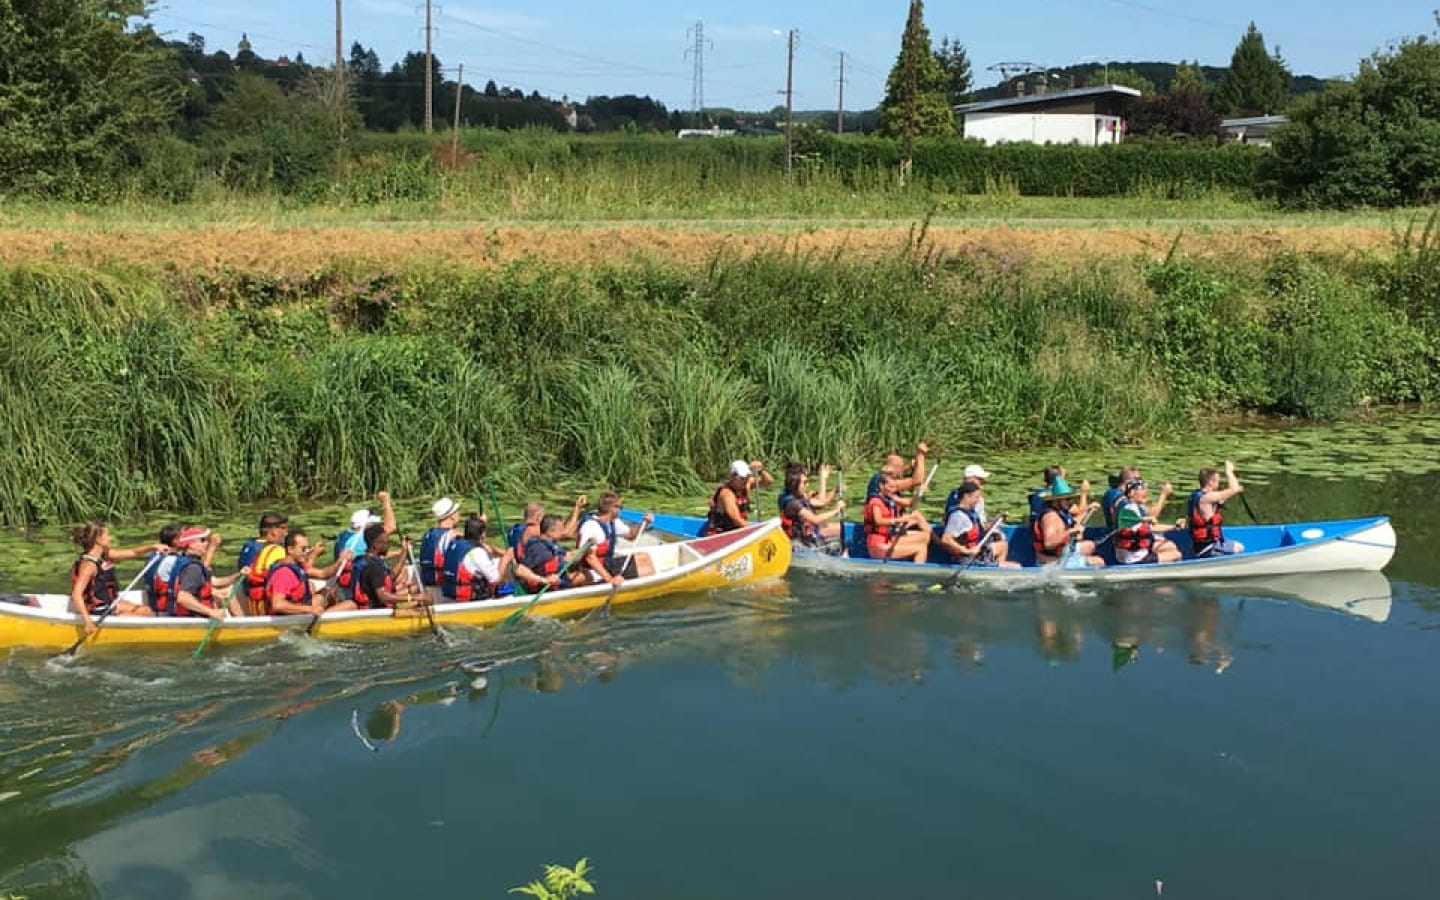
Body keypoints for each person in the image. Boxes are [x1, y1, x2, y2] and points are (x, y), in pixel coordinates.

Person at [68, 522, 160, 634]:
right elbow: (76, 594)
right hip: (98, 611)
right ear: (98, 539)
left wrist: (153, 547)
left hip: (110, 603)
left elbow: (132, 552)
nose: (110, 538)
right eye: (107, 535)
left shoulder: (104, 555)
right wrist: (87, 622)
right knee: (147, 615)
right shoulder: (89, 565)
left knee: (147, 611)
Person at [332, 525, 425, 614]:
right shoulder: (373, 566)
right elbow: (383, 597)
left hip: (375, 606)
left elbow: (391, 576)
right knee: (420, 599)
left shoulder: (367, 559)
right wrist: (413, 597)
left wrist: (404, 551)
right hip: (375, 610)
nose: (388, 546)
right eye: (386, 543)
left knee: (416, 592)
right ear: (375, 545)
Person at [444, 515, 531, 601]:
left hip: (451, 594)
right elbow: (495, 579)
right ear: (482, 535)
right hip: (472, 600)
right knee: (510, 596)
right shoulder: (477, 552)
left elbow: (485, 548)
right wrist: (506, 559)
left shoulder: (456, 544)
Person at [578, 491, 656, 585]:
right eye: (620, 507)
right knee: (645, 570)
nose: (620, 510)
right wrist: (610, 580)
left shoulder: (613, 522)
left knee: (643, 557)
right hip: (594, 571)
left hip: (608, 564)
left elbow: (631, 535)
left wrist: (644, 523)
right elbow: (590, 558)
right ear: (613, 509)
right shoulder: (591, 527)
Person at [168, 527, 245, 619]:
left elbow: (214, 582)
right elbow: (183, 598)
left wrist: (239, 574)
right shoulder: (193, 568)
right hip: (194, 620)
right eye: (202, 540)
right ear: (191, 545)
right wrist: (211, 612)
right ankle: (244, 629)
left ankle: (243, 626)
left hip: (195, 617)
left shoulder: (191, 563)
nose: (207, 543)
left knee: (227, 591)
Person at [939, 482, 1019, 567]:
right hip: (967, 558)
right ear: (966, 496)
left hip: (978, 552)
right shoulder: (958, 516)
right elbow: (946, 539)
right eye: (976, 497)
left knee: (1003, 545)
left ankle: (996, 567)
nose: (978, 500)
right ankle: (997, 567)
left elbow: (981, 528)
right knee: (1017, 566)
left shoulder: (971, 512)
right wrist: (966, 551)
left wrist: (997, 521)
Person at [1030, 476, 1104, 567]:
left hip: (1061, 554)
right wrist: (1070, 532)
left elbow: (1073, 523)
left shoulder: (1059, 512)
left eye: (1071, 498)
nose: (1071, 502)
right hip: (1052, 562)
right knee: (1098, 561)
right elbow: (1048, 543)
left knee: (1090, 546)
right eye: (1067, 499)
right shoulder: (1051, 518)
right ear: (1057, 500)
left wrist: (1088, 510)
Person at [261, 530, 333, 617]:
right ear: (290, 550)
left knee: (327, 592)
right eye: (303, 549)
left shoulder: (298, 565)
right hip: (284, 618)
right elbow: (277, 605)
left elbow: (322, 573)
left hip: (298, 606)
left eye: (308, 548)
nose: (306, 552)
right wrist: (310, 609)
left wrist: (341, 560)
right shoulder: (284, 573)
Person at [863, 472, 931, 562]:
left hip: (888, 538)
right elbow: (878, 520)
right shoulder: (875, 502)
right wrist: (899, 520)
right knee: (920, 548)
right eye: (890, 487)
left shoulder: (889, 497)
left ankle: (907, 560)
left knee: (925, 537)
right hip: (877, 546)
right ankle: (916, 573)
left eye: (895, 487)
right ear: (881, 486)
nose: (893, 490)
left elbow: (911, 503)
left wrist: (919, 492)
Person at [777, 463, 846, 550]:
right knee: (840, 543)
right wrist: (836, 510)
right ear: (794, 484)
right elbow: (815, 519)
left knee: (841, 536)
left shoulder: (798, 495)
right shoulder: (792, 503)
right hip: (800, 544)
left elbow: (821, 503)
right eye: (804, 483)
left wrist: (825, 481)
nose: (807, 485)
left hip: (810, 536)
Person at [1113, 480, 1182, 565]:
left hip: (1138, 552)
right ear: (1131, 493)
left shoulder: (1135, 507)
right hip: (1133, 559)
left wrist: (1174, 527)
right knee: (1177, 555)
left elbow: (1152, 527)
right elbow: (1132, 520)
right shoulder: (1128, 509)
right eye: (1141, 489)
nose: (1145, 491)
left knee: (1170, 545)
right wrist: (1145, 519)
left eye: (1145, 489)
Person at [1188, 461, 1247, 557]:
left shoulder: (1199, 495)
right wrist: (1229, 471)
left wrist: (1234, 490)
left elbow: (1228, 493)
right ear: (1211, 482)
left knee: (1237, 546)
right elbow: (1234, 488)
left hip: (1204, 544)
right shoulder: (1207, 498)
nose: (1219, 483)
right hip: (1208, 547)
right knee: (1239, 548)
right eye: (1217, 481)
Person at [520, 514, 588, 591]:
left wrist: (586, 547)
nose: (563, 532)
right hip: (542, 587)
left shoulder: (550, 544)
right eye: (560, 529)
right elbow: (520, 570)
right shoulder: (539, 551)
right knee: (584, 577)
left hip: (555, 579)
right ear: (550, 532)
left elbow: (568, 555)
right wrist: (544, 580)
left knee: (583, 571)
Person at [239, 512, 289, 615]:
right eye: (284, 528)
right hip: (263, 599)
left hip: (248, 592)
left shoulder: (250, 544)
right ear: (273, 531)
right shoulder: (274, 550)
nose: (286, 533)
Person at [509, 494, 588, 553]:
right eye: (543, 515)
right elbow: (565, 533)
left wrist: (575, 510)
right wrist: (577, 509)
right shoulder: (533, 530)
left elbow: (561, 528)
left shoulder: (524, 528)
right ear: (538, 517)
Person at [418, 497, 461, 603]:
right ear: (452, 516)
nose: (459, 513)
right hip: (444, 590)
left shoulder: (429, 534)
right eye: (457, 511)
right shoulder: (452, 536)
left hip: (429, 585)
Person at [703, 460, 758, 534]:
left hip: (736, 530)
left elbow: (768, 481)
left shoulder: (746, 484)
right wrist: (755, 532)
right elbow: (736, 519)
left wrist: (760, 471)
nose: (745, 480)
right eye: (742, 478)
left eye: (747, 477)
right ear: (732, 477)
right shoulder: (727, 495)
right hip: (721, 534)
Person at [143, 523, 183, 613]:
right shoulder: (172, 560)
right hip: (167, 609)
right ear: (175, 541)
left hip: (153, 603)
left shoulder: (152, 556)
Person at [1102, 466, 1141, 532]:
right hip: (1120, 534)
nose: (1140, 483)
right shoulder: (1117, 495)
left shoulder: (1113, 493)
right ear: (1130, 481)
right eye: (1138, 480)